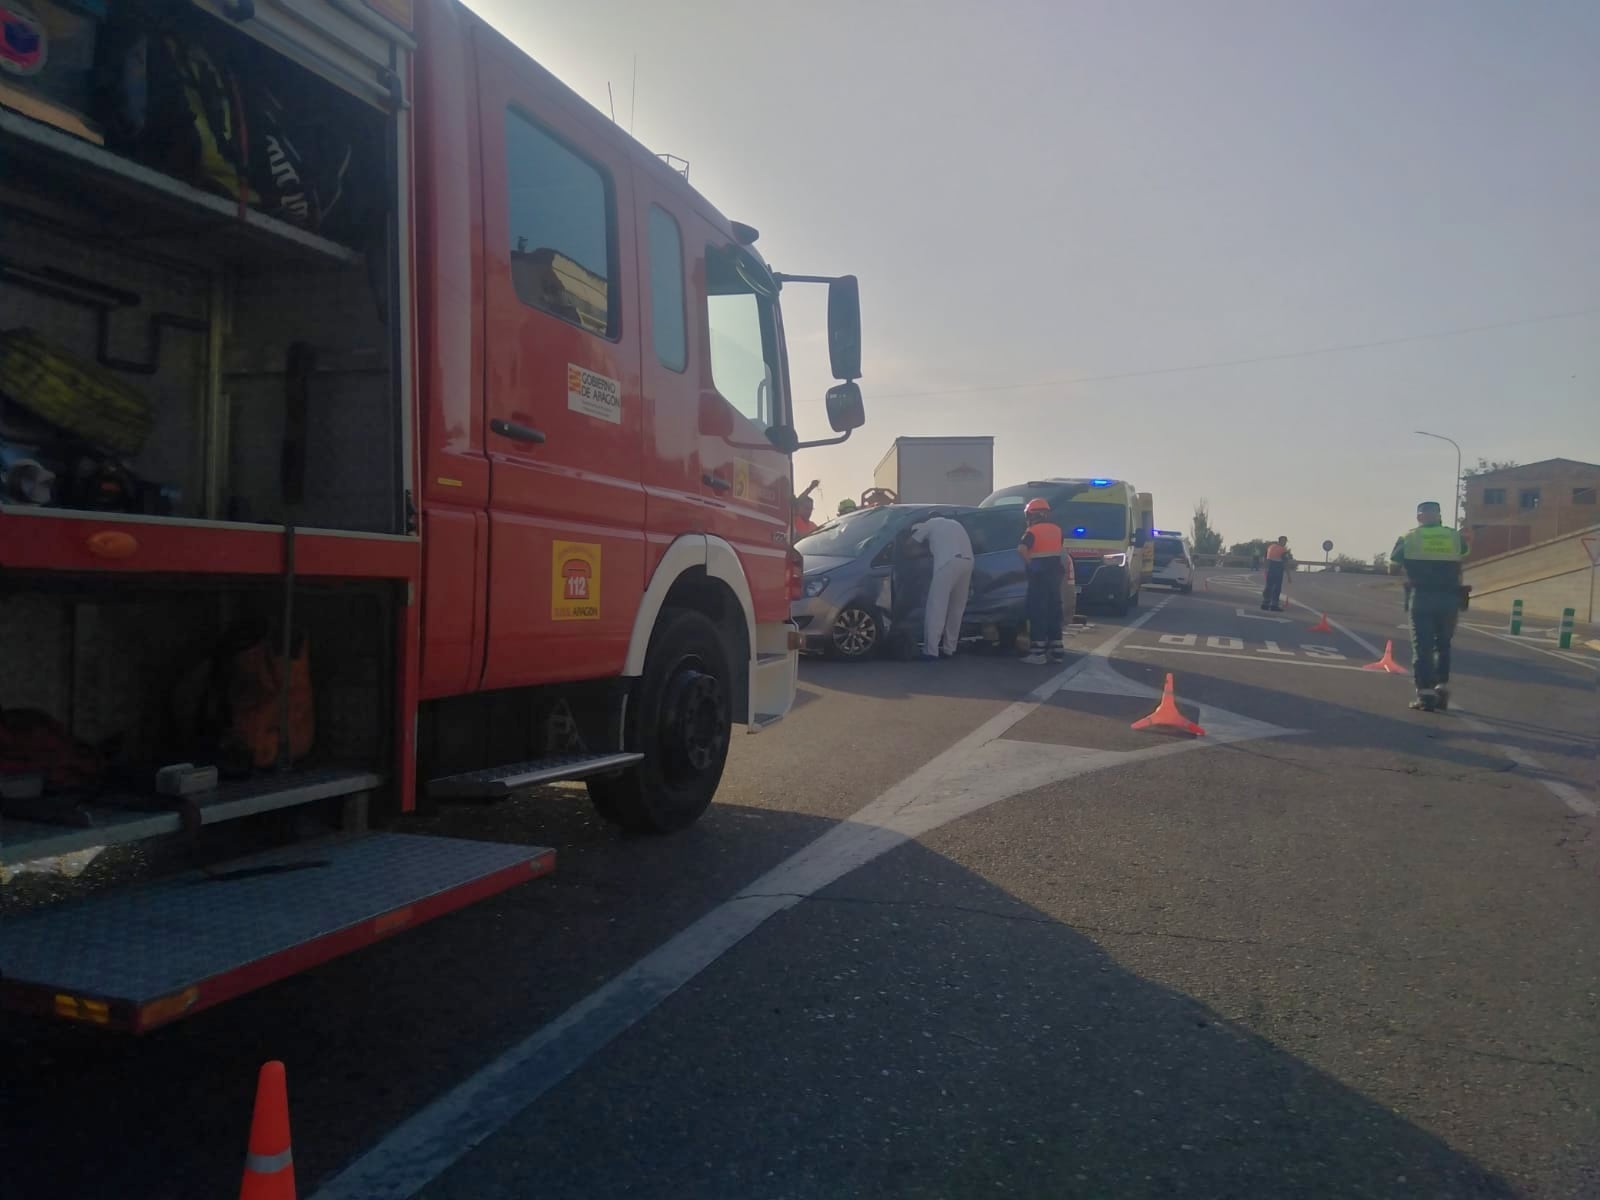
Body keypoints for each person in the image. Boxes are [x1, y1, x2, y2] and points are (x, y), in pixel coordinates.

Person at [1390, 500, 1469, 712]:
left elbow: (1393, 568)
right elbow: (1463, 556)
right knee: (1443, 644)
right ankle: (1441, 687)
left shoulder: (1409, 537)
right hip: (1449, 597)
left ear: (1419, 517)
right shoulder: (1454, 536)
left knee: (1422, 647)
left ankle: (1425, 695)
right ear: (1439, 515)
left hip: (1422, 597)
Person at [909, 513, 974, 661]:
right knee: (956, 609)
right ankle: (950, 649)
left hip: (947, 563)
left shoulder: (929, 524)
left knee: (936, 607)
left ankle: (930, 651)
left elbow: (910, 545)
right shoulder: (956, 524)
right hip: (968, 561)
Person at [1018, 498, 1066, 664]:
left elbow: (1022, 548)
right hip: (1054, 574)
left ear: (1031, 514)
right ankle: (1057, 650)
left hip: (1039, 575)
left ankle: (1038, 653)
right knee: (1054, 610)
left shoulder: (1033, 531)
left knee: (1038, 611)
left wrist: (1030, 563)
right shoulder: (1058, 529)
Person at [1261, 536, 1289, 610]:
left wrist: (1265, 569)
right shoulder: (1283, 550)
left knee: (1268, 586)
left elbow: (1265, 558)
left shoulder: (1271, 547)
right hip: (1278, 568)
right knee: (1277, 587)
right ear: (1281, 541)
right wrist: (1289, 575)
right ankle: (1274, 605)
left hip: (1270, 568)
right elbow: (1285, 563)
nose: (1285, 543)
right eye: (1285, 541)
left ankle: (1265, 603)